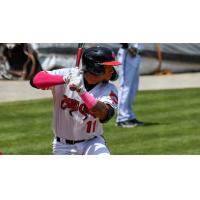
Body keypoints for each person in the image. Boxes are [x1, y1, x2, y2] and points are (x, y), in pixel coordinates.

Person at [30, 46, 120, 155]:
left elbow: (104, 114)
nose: (112, 71)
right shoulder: (69, 74)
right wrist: (64, 79)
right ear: (96, 68)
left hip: (92, 143)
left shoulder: (109, 89)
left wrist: (81, 91)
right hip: (62, 146)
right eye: (109, 67)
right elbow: (35, 80)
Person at [116, 43, 144, 128]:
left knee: (133, 88)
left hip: (136, 54)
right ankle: (122, 118)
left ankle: (129, 116)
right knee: (125, 87)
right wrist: (127, 47)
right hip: (127, 54)